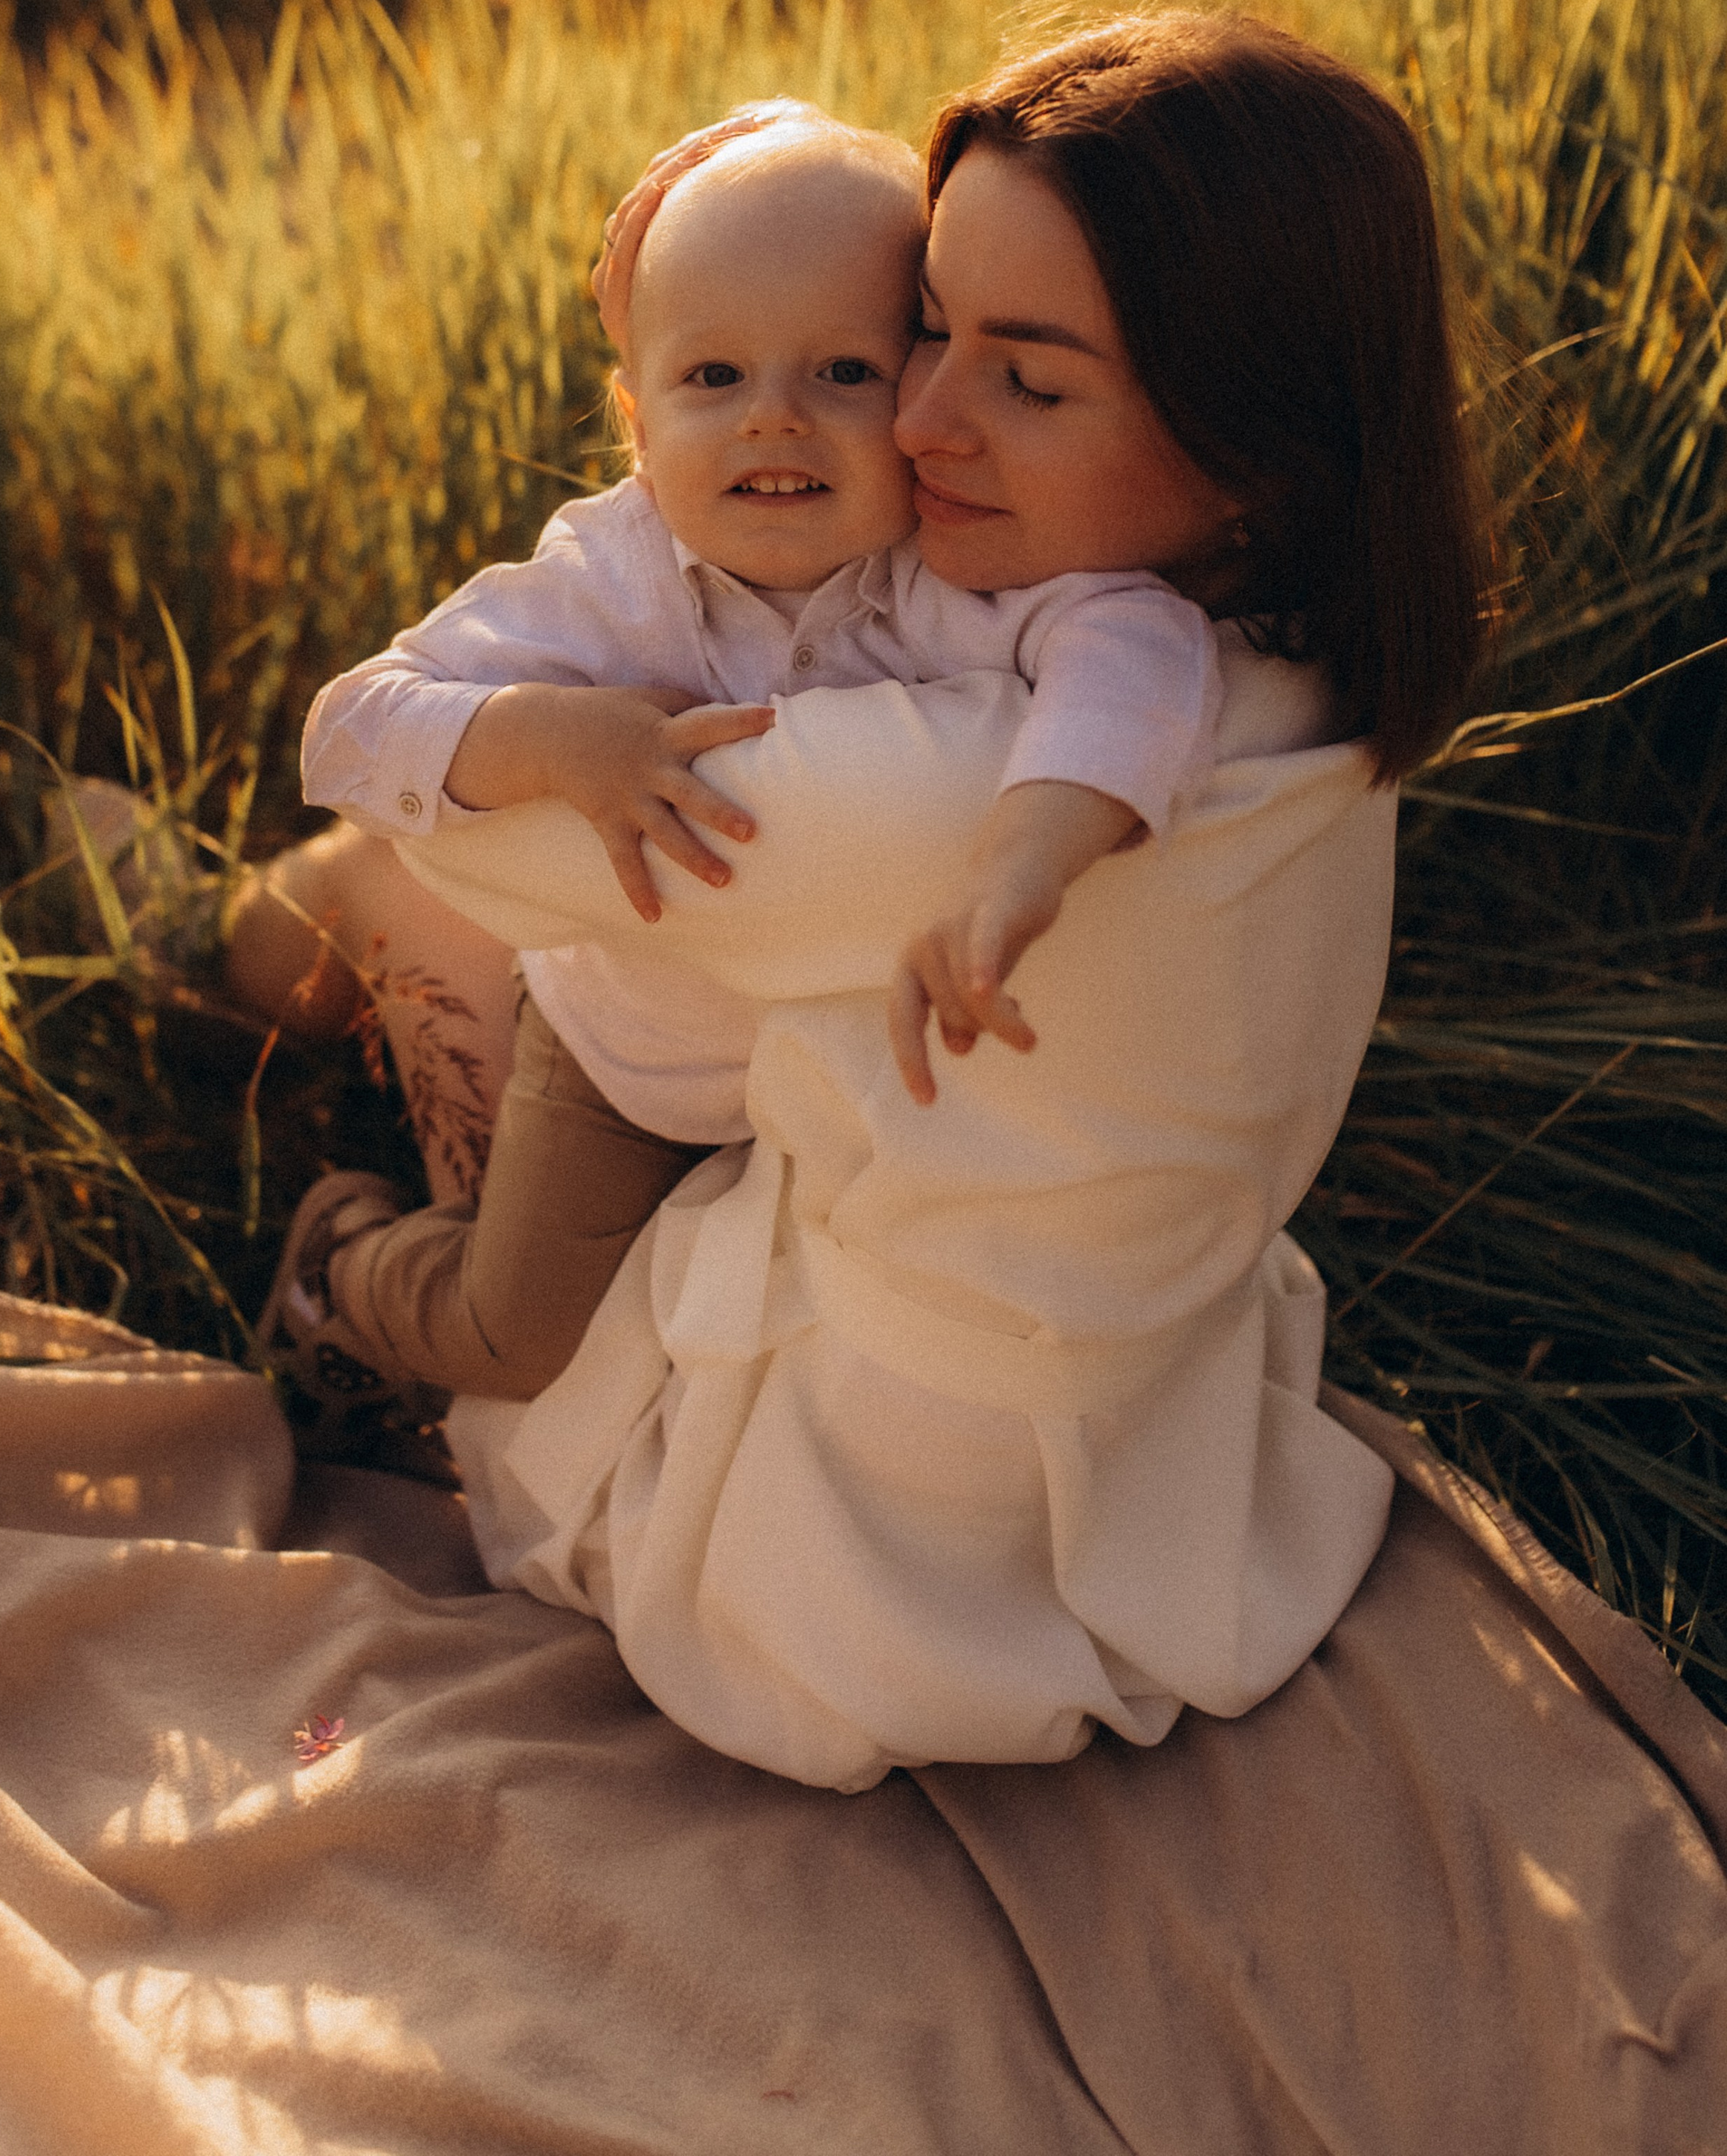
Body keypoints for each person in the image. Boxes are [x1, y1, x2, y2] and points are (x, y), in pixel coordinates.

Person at [260, 107, 1230, 1421]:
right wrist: (554, 735)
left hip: (833, 1083)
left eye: (844, 372)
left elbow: (1141, 645)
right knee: (521, 1335)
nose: (774, 421)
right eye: (712, 379)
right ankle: (343, 1261)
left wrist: (1033, 849)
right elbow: (351, 728)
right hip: (633, 1060)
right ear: (636, 421)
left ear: (923, 394)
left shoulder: (949, 569)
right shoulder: (615, 576)